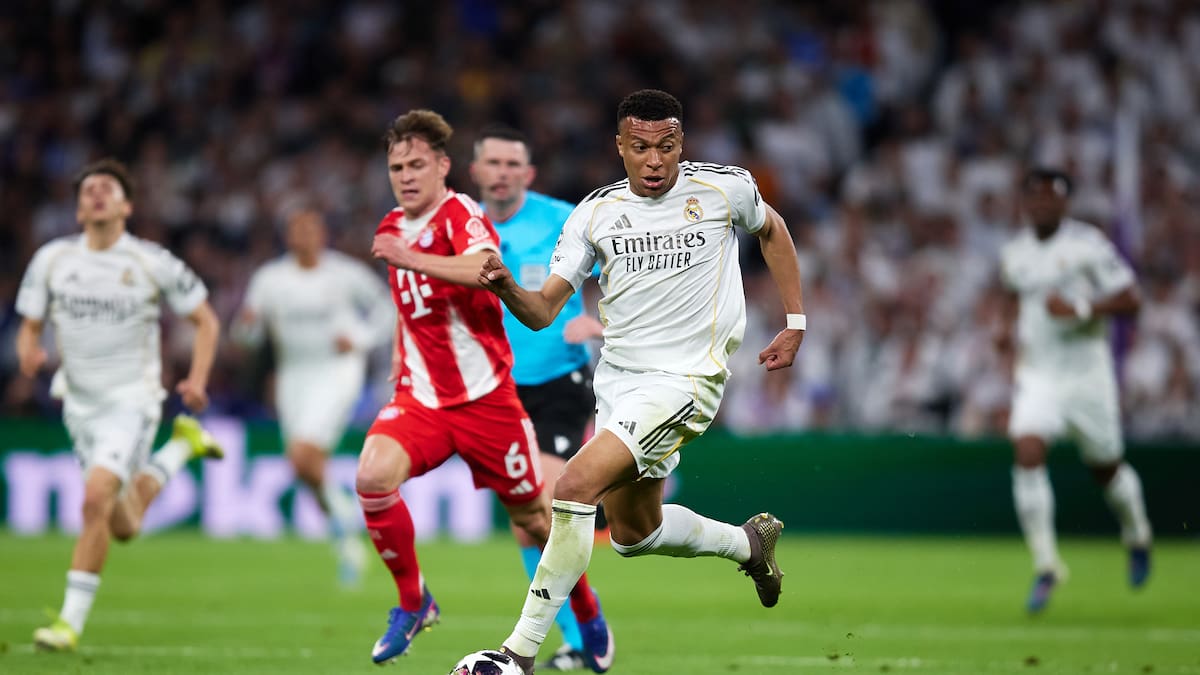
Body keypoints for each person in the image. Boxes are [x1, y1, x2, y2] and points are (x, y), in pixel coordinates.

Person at [479, 89, 806, 674]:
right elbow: (542, 310)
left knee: (573, 487)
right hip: (620, 382)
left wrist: (795, 321)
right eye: (641, 148)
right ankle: (748, 545)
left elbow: (773, 230)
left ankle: (517, 654)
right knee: (635, 532)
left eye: (667, 147)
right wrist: (505, 284)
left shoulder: (722, 187)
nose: (655, 160)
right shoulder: (595, 213)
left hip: (687, 379)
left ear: (681, 144)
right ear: (620, 149)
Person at [356, 109, 612, 668]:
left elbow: (483, 269)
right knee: (372, 478)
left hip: (492, 401)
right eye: (396, 166)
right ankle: (413, 602)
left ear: (444, 167)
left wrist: (602, 324)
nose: (405, 175)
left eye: (417, 163)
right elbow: (410, 315)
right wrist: (398, 376)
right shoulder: (391, 228)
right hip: (422, 399)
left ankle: (588, 616)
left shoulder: (460, 213)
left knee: (536, 521)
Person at [15, 158, 224, 652]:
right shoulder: (52, 260)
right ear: (79, 207)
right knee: (121, 523)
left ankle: (68, 624)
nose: (98, 194)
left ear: (127, 205)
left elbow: (207, 321)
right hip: (79, 402)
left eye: (108, 188)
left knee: (93, 499)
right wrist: (28, 349)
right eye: (89, 188)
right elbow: (29, 321)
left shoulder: (151, 261)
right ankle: (180, 448)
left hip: (132, 400)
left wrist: (196, 380)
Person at [469, 124, 606, 672]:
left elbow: (623, 272)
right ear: (476, 171)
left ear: (528, 174)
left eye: (512, 165)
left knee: (547, 508)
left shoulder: (561, 219)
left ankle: (588, 631)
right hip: (496, 390)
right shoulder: (464, 225)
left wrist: (600, 321)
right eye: (492, 163)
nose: (502, 173)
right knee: (525, 520)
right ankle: (577, 639)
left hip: (558, 386)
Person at [997, 168, 1151, 613]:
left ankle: (1137, 533)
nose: (1043, 205)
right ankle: (1047, 566)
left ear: (1065, 204)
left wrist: (1081, 307)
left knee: (1107, 469)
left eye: (1051, 199)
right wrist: (1004, 331)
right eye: (1036, 199)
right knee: (1026, 451)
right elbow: (1013, 295)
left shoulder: (1088, 247)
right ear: (1026, 204)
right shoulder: (1015, 253)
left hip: (1087, 378)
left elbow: (1132, 299)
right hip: (1038, 376)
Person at [233, 208, 394, 586]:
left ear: (323, 234)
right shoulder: (270, 279)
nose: (303, 235)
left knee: (304, 455)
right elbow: (248, 337)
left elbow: (387, 309)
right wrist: (247, 329)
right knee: (303, 467)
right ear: (288, 236)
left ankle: (346, 526)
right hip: (294, 375)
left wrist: (360, 339)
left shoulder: (344, 273)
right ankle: (345, 532)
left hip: (337, 371)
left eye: (310, 228)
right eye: (296, 229)